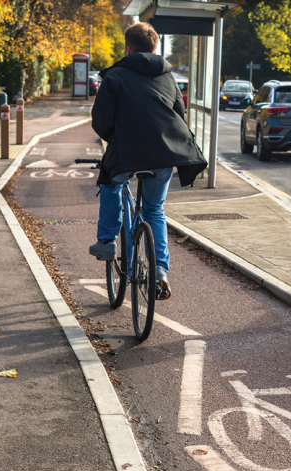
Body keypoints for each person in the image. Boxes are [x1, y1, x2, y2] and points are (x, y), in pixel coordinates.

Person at [90, 22, 206, 300]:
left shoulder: (115, 76)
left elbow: (101, 120)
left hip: (128, 153)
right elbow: (180, 114)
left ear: (128, 48)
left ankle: (107, 242)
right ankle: (160, 272)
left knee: (111, 184)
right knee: (154, 210)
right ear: (155, 48)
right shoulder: (168, 77)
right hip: (165, 153)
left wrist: (114, 140)